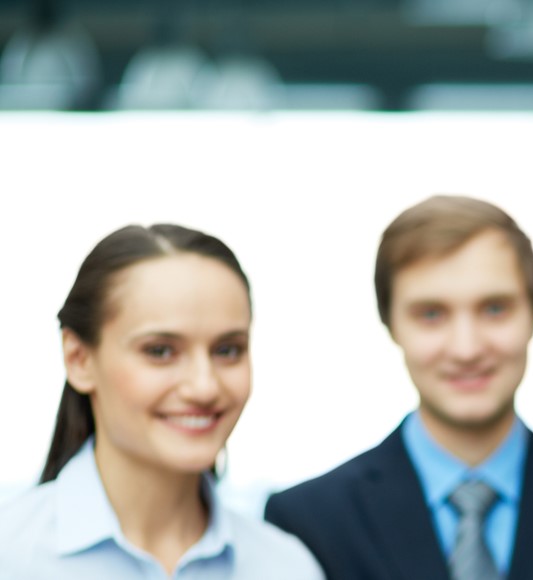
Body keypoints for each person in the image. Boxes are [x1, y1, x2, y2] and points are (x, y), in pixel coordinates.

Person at [265, 196, 533, 580]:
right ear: (391, 324)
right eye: (431, 314)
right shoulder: (308, 523)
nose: (466, 348)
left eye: (495, 309)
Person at [0, 224, 323, 579]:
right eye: (160, 351)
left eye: (227, 350)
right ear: (78, 359)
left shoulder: (286, 568)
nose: (204, 387)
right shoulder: (12, 555)